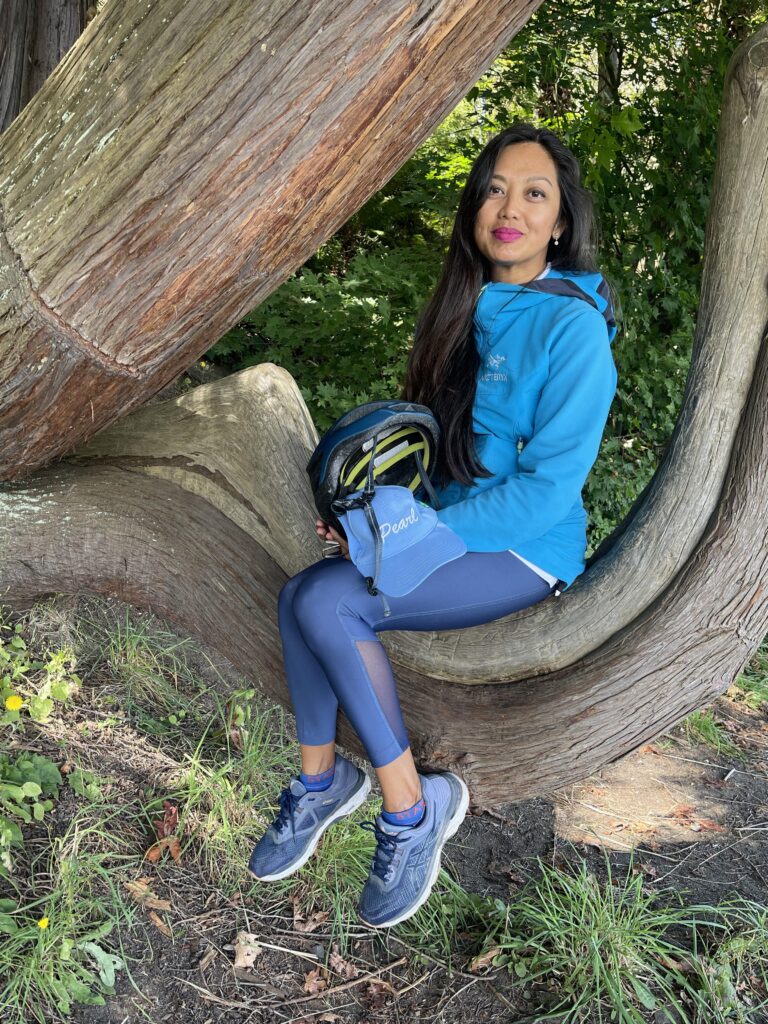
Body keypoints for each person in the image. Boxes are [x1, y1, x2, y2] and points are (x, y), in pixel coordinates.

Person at [248, 123, 618, 929]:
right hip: (449, 530)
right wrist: (370, 520)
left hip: (524, 548)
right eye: (493, 188)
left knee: (326, 604)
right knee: (301, 592)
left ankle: (412, 813)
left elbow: (547, 492)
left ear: (559, 223)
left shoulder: (574, 330)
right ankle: (320, 783)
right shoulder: (462, 307)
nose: (508, 207)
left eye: (533, 193)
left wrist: (409, 539)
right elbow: (432, 457)